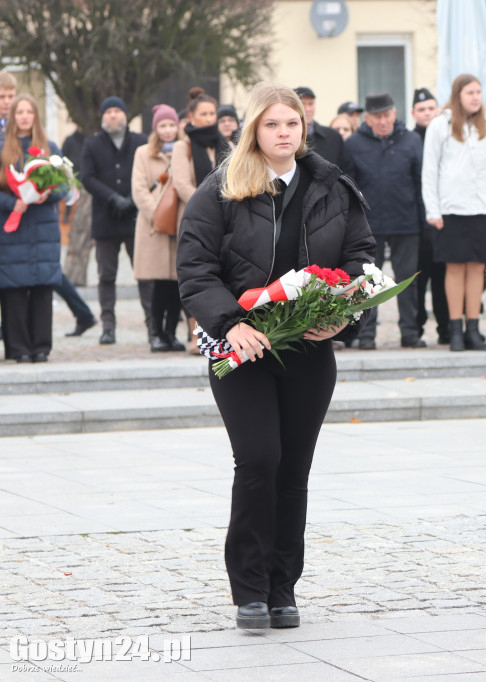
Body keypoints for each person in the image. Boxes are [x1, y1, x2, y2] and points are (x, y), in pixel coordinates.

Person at [177, 81, 375, 630]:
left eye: (292, 123)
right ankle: (249, 590)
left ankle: (283, 586)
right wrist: (230, 322)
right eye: (272, 124)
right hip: (241, 348)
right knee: (259, 459)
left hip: (308, 350)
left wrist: (344, 312)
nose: (283, 132)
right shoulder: (220, 189)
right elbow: (195, 270)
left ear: (303, 128)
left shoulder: (333, 186)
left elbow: (362, 257)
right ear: (253, 130)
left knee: (294, 469)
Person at [422, 73, 486, 352]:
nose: (475, 97)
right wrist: (433, 209)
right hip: (451, 209)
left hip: (482, 209)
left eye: (479, 92)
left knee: (477, 269)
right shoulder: (440, 124)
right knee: (454, 268)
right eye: (470, 92)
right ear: (458, 94)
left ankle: (473, 328)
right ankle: (455, 330)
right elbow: (430, 169)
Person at [347, 92, 425, 349]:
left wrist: (422, 220)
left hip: (406, 221)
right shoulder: (354, 144)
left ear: (394, 114)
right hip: (369, 225)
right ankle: (366, 334)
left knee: (407, 280)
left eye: (387, 115)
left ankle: (410, 332)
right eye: (377, 117)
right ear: (367, 118)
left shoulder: (411, 140)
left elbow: (419, 182)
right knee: (368, 281)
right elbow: (351, 187)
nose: (383, 121)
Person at [0, 94, 67, 362]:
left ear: (35, 117)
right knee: (14, 288)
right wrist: (11, 203)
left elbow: (64, 184)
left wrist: (45, 195)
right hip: (12, 226)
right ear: (13, 117)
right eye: (20, 112)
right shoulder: (3, 148)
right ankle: (18, 349)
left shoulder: (49, 148)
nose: (25, 116)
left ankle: (41, 347)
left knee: (42, 286)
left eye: (29, 112)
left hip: (43, 228)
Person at [79, 95, 149, 345]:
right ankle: (108, 326)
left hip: (134, 218)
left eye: (118, 111)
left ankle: (152, 325)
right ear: (102, 117)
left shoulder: (141, 141)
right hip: (105, 220)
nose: (113, 116)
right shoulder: (92, 144)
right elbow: (87, 177)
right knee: (106, 276)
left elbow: (150, 173)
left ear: (125, 115)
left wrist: (131, 198)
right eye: (108, 112)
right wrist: (112, 198)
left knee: (143, 274)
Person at [172, 88, 232, 354]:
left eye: (212, 114)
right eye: (203, 114)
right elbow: (181, 183)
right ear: (192, 117)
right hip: (195, 219)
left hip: (226, 218)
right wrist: (206, 205)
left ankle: (220, 329)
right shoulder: (182, 146)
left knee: (223, 274)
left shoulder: (226, 144)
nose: (209, 118)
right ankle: (196, 333)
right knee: (196, 275)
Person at [132, 104, 185, 352]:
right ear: (155, 128)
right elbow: (139, 189)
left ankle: (171, 332)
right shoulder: (143, 153)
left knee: (176, 285)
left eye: (171, 125)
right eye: (162, 125)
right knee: (156, 287)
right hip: (154, 228)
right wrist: (157, 214)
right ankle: (154, 332)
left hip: (178, 227)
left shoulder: (184, 152)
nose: (167, 130)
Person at [408, 87, 449, 344]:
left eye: (431, 108)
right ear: (414, 113)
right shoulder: (410, 140)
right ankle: (417, 327)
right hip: (417, 222)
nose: (427, 113)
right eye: (422, 110)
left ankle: (446, 329)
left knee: (443, 279)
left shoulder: (446, 137)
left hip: (443, 221)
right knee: (418, 279)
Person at [295, 87, 355, 176]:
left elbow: (347, 171)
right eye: (303, 104)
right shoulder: (285, 137)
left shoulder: (333, 137)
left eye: (311, 104)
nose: (307, 109)